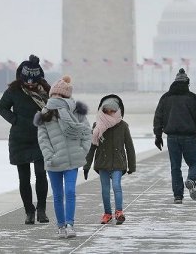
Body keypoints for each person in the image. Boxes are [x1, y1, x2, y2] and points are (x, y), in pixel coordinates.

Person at [34, 75, 91, 238]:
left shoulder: (77, 111)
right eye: (54, 95)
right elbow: (42, 138)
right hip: (54, 161)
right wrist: (49, 155)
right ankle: (61, 226)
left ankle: (70, 224)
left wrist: (82, 151)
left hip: (73, 159)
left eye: (60, 95)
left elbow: (87, 132)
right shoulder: (45, 113)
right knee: (58, 195)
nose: (56, 98)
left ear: (66, 96)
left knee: (71, 191)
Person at [0, 55, 51, 225]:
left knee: (41, 175)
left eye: (33, 81)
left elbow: (55, 108)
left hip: (40, 139)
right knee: (24, 178)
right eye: (26, 81)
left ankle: (41, 209)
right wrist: (15, 120)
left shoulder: (45, 91)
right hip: (19, 140)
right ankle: (29, 211)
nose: (30, 84)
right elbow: (2, 107)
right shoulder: (13, 91)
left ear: (38, 78)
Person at [153, 68, 196, 204]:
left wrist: (158, 136)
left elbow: (158, 117)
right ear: (187, 83)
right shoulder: (193, 98)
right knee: (194, 163)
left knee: (175, 167)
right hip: (189, 136)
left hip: (172, 137)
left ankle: (178, 196)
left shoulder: (165, 98)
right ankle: (191, 179)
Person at [83, 94, 136, 225]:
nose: (110, 113)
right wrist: (86, 166)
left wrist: (132, 166)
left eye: (113, 111)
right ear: (102, 110)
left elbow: (129, 147)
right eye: (107, 111)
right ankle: (107, 214)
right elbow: (92, 147)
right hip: (103, 163)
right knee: (105, 190)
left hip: (118, 162)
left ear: (118, 110)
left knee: (117, 186)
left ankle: (119, 212)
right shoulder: (97, 125)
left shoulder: (123, 126)